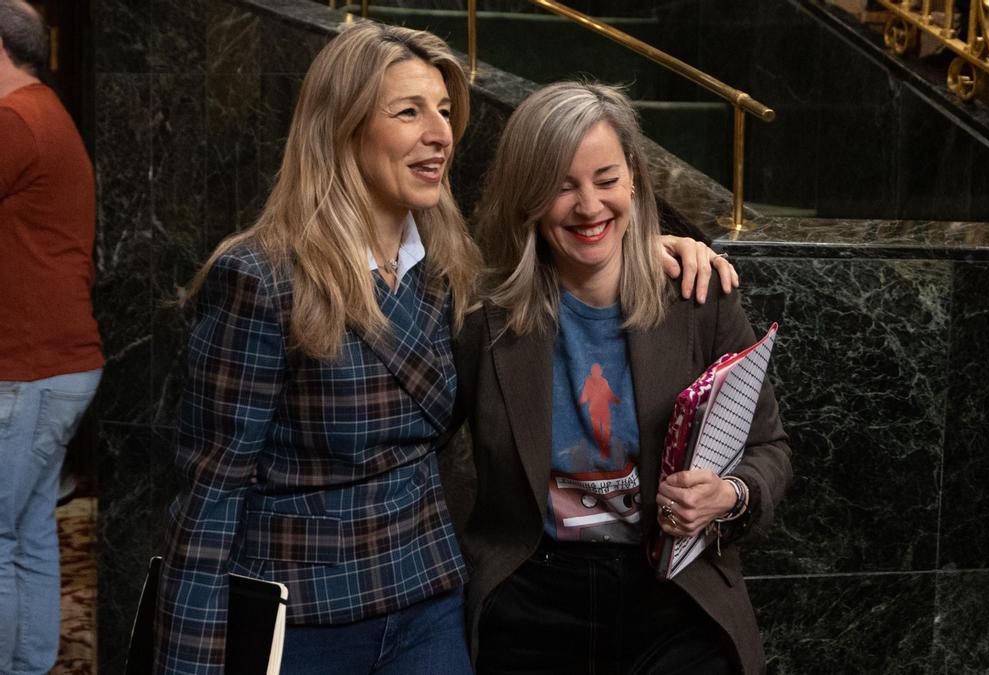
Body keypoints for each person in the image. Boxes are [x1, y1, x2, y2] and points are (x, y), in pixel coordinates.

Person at [155, 22, 734, 674]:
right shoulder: (259, 278)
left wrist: (639, 251)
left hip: (428, 602)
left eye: (444, 111)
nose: (441, 133)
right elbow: (208, 497)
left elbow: (558, 261)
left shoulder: (449, 273)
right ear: (340, 128)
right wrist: (190, 660)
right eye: (409, 111)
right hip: (307, 611)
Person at [455, 81, 792, 674]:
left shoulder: (700, 296)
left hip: (675, 595)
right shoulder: (483, 321)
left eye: (606, 180)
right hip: (533, 599)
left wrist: (730, 496)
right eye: (562, 187)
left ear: (635, 177)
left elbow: (769, 449)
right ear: (527, 196)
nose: (589, 206)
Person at [0, 1, 103, 673]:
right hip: (61, 362)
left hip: (28, 365)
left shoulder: (14, 118)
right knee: (30, 530)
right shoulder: (47, 109)